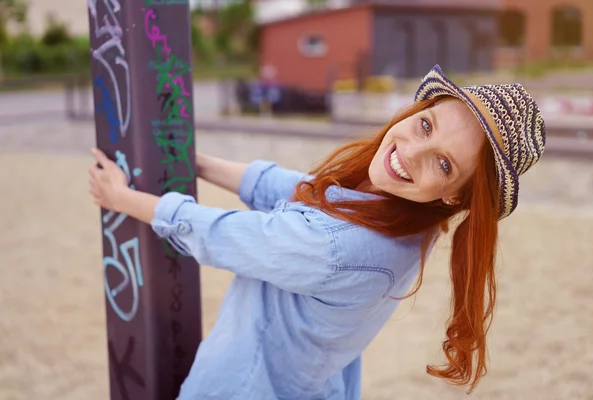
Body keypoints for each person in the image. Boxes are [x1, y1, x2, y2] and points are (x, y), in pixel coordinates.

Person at [88, 65, 546, 399]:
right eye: (425, 125)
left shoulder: (343, 248)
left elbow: (226, 236)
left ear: (454, 196)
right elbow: (298, 189)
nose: (412, 152)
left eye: (444, 164)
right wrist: (198, 163)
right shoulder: (407, 217)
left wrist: (122, 198)